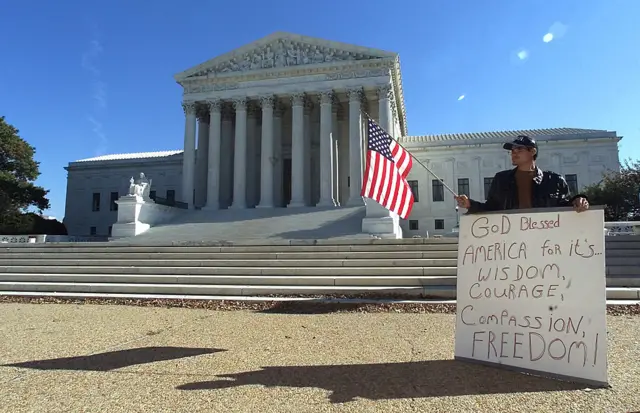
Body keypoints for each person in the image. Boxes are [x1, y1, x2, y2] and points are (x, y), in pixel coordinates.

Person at [455, 135, 589, 213]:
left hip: (546, 242)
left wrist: (578, 201)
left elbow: (564, 207)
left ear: (533, 151)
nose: (514, 152)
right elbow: (491, 208)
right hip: (512, 242)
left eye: (519, 149)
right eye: (512, 150)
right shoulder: (501, 179)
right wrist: (470, 204)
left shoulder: (554, 180)